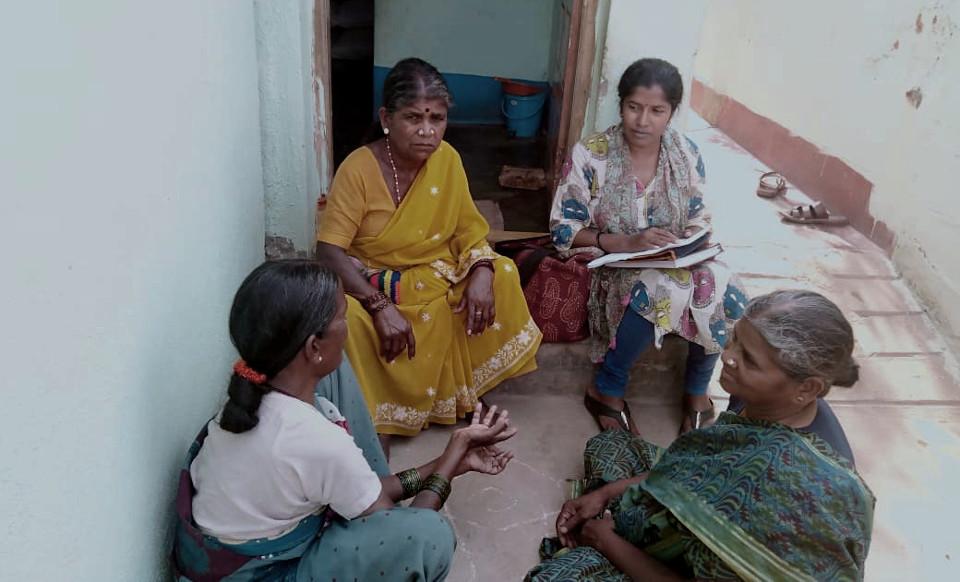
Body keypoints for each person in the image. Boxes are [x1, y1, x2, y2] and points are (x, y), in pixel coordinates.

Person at [171, 260, 519, 581]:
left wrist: (450, 460)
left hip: (230, 547)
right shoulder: (315, 441)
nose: (349, 325)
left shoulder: (253, 396)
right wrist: (451, 459)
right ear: (313, 347)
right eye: (342, 317)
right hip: (262, 573)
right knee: (430, 536)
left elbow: (365, 489)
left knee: (335, 376)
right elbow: (402, 528)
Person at [527, 290, 875, 581]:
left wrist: (606, 542)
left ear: (807, 387)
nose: (727, 356)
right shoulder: (774, 404)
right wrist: (604, 495)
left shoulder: (784, 496)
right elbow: (699, 469)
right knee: (610, 445)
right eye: (734, 339)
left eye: (749, 360)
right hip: (694, 530)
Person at [316, 58, 541, 450]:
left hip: (435, 277)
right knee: (346, 318)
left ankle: (458, 391)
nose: (427, 131)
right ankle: (380, 415)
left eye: (436, 119)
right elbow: (329, 250)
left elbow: (469, 228)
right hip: (376, 283)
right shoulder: (358, 169)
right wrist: (378, 304)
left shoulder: (448, 160)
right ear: (386, 117)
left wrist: (483, 270)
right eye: (413, 118)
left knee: (502, 272)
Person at [549, 58, 748, 434]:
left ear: (671, 113)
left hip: (676, 259)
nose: (643, 121)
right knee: (664, 287)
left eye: (656, 111)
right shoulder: (592, 153)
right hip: (610, 262)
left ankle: (696, 391)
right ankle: (607, 388)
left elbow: (700, 216)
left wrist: (685, 243)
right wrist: (623, 242)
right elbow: (562, 230)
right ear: (621, 105)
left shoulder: (684, 153)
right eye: (634, 107)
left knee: (724, 284)